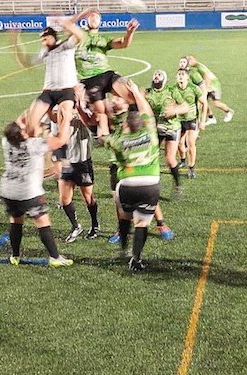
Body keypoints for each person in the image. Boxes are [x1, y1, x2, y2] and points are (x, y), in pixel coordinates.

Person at [0, 114, 74, 267]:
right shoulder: (34, 145)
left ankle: (15, 255)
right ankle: (55, 257)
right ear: (22, 135)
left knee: (16, 221)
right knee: (43, 222)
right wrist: (66, 118)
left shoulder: (6, 141)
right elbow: (61, 141)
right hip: (29, 192)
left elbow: (19, 123)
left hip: (8, 190)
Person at [104, 81, 161, 271]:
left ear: (126, 125)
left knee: (124, 217)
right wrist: (137, 93)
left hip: (126, 185)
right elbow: (147, 112)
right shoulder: (150, 133)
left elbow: (104, 137)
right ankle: (136, 259)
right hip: (149, 184)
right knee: (142, 223)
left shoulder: (119, 141)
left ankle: (123, 248)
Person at [13, 14, 87, 138]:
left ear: (53, 37)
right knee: (31, 123)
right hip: (48, 91)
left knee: (64, 121)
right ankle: (33, 146)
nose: (44, 42)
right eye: (42, 40)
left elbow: (80, 36)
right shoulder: (45, 52)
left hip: (66, 91)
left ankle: (61, 146)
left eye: (46, 39)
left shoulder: (66, 46)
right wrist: (16, 43)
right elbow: (25, 63)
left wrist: (65, 23)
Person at [74, 11, 140, 138]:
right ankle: (108, 140)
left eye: (96, 17)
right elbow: (68, 26)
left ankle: (136, 131)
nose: (94, 18)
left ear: (100, 22)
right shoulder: (79, 36)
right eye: (91, 16)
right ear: (86, 21)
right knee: (101, 115)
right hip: (89, 79)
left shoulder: (104, 39)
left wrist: (129, 32)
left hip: (107, 75)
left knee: (133, 96)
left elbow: (123, 43)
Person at [56, 100, 100, 243]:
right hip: (66, 161)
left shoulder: (85, 108)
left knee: (88, 197)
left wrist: (79, 109)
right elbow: (56, 132)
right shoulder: (58, 109)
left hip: (82, 161)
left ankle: (95, 224)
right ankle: (76, 226)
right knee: (64, 199)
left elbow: (93, 122)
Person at [145, 70, 188, 195]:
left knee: (170, 159)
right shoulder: (148, 93)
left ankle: (177, 184)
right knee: (150, 156)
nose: (156, 76)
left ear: (164, 79)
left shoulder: (171, 91)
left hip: (171, 128)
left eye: (159, 74)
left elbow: (185, 106)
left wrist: (174, 111)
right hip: (155, 129)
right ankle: (150, 184)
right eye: (155, 74)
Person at [175, 68, 207, 179]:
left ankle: (191, 168)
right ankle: (183, 160)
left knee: (190, 143)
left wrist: (202, 121)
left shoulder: (194, 88)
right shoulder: (173, 89)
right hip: (179, 120)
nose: (180, 76)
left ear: (187, 77)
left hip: (191, 119)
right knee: (179, 143)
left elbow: (204, 103)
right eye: (179, 74)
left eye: (182, 74)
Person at [182, 56, 233, 125]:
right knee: (204, 102)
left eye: (190, 60)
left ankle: (228, 111)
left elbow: (207, 77)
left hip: (214, 86)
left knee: (216, 103)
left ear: (194, 60)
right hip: (207, 87)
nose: (189, 62)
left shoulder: (199, 66)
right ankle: (211, 118)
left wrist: (206, 88)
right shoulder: (194, 68)